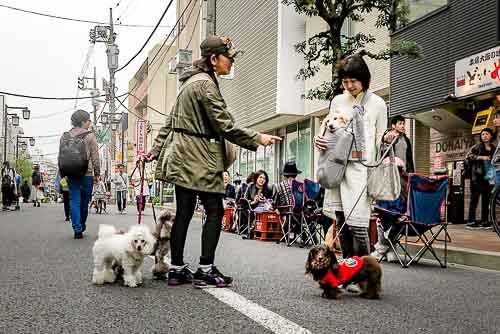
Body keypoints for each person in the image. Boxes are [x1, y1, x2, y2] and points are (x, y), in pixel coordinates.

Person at [146, 35, 281, 288]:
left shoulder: (189, 83)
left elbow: (170, 121)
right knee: (215, 210)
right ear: (214, 59)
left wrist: (155, 149)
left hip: (181, 155)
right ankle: (206, 268)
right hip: (199, 156)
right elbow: (224, 125)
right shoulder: (206, 85)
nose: (231, 63)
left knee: (184, 212)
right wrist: (257, 138)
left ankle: (176, 269)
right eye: (228, 58)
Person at [314, 54, 387, 291]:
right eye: (345, 81)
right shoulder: (337, 101)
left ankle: (366, 274)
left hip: (361, 170)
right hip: (338, 167)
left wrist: (387, 141)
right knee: (342, 221)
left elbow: (380, 138)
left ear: (363, 79)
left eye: (353, 80)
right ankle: (347, 273)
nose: (349, 86)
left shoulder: (377, 103)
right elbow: (327, 129)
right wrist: (319, 139)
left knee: (359, 224)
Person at [372, 115, 415, 262]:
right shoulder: (389, 137)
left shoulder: (406, 140)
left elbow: (409, 160)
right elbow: (382, 152)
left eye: (404, 123)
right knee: (386, 211)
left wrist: (411, 174)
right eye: (400, 123)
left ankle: (389, 247)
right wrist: (385, 139)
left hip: (403, 179)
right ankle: (384, 247)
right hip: (389, 179)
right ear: (393, 125)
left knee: (399, 212)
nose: (403, 126)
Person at [62, 110, 100, 239]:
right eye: (89, 120)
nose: (90, 122)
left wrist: (63, 173)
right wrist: (97, 173)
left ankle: (77, 228)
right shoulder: (90, 136)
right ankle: (81, 224)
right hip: (87, 173)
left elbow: (60, 156)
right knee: (85, 201)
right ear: (83, 121)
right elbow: (95, 157)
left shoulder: (66, 136)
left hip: (71, 173)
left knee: (74, 200)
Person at [465, 128, 495, 230]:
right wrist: (481, 157)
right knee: (474, 199)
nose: (485, 136)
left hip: (488, 177)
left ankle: (485, 221)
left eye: (487, 134)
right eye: (483, 134)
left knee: (486, 200)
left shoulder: (493, 148)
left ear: (491, 136)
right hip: (477, 177)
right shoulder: (477, 147)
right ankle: (471, 221)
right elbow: (468, 156)